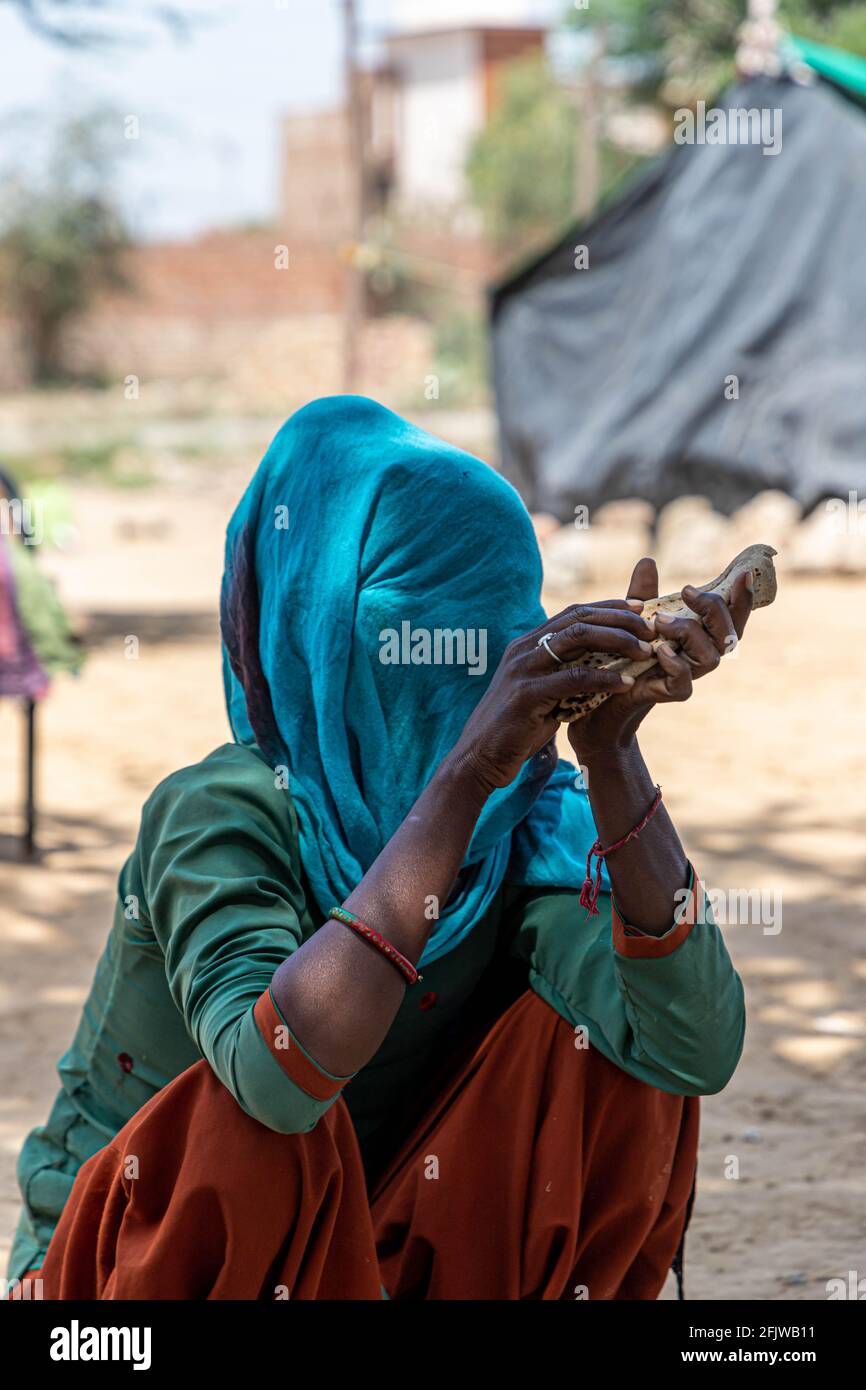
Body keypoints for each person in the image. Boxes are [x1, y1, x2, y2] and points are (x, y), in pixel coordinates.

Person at [11, 396, 750, 1300]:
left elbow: (691, 1051)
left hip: (359, 1256)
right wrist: (465, 772)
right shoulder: (224, 813)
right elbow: (276, 1088)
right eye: (412, 632)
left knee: (615, 1050)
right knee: (276, 1090)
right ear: (315, 629)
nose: (455, 666)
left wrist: (610, 757)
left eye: (492, 629)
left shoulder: (526, 821)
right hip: (124, 1279)